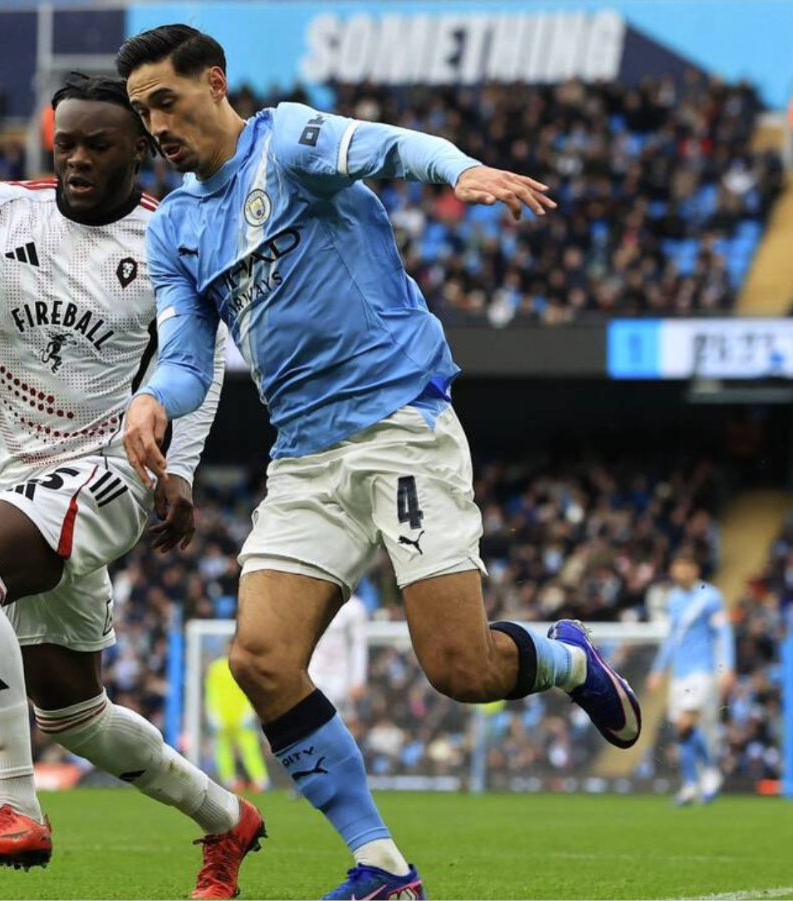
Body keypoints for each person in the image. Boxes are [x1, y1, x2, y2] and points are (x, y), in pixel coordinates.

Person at [116, 25, 642, 899]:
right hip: (305, 459)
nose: (155, 126)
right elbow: (185, 358)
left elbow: (393, 146)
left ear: (214, 83)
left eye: (165, 101)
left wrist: (461, 171)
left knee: (461, 671)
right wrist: (150, 400)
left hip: (400, 424)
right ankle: (384, 865)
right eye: (143, 113)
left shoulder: (285, 141)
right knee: (259, 657)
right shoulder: (175, 226)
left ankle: (570, 659)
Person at [0, 73, 263, 900]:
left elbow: (204, 358)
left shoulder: (169, 238)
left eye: (98, 144)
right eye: (66, 141)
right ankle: (227, 819)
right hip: (21, 479)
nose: (77, 157)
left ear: (141, 149)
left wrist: (178, 467)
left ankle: (15, 805)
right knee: (77, 717)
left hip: (116, 465)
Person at [647, 551, 735, 805]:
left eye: (685, 566)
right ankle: (691, 784)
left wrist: (727, 666)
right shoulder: (674, 600)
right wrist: (658, 670)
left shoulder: (710, 597)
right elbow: (672, 639)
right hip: (680, 674)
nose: (679, 572)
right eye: (676, 566)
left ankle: (709, 772)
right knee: (683, 730)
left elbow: (723, 633)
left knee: (685, 724)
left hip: (703, 671)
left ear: (695, 570)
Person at [204, 656, 270, 792]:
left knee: (250, 748)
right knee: (223, 749)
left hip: (242, 716)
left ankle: (260, 781)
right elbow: (211, 692)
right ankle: (230, 781)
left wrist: (249, 711)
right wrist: (213, 714)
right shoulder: (216, 668)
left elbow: (252, 691)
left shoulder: (246, 667)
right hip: (222, 717)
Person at [309, 594, 370, 716]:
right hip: (313, 675)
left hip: (341, 679)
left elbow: (359, 645)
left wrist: (358, 680)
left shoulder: (354, 607)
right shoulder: (310, 601)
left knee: (339, 724)